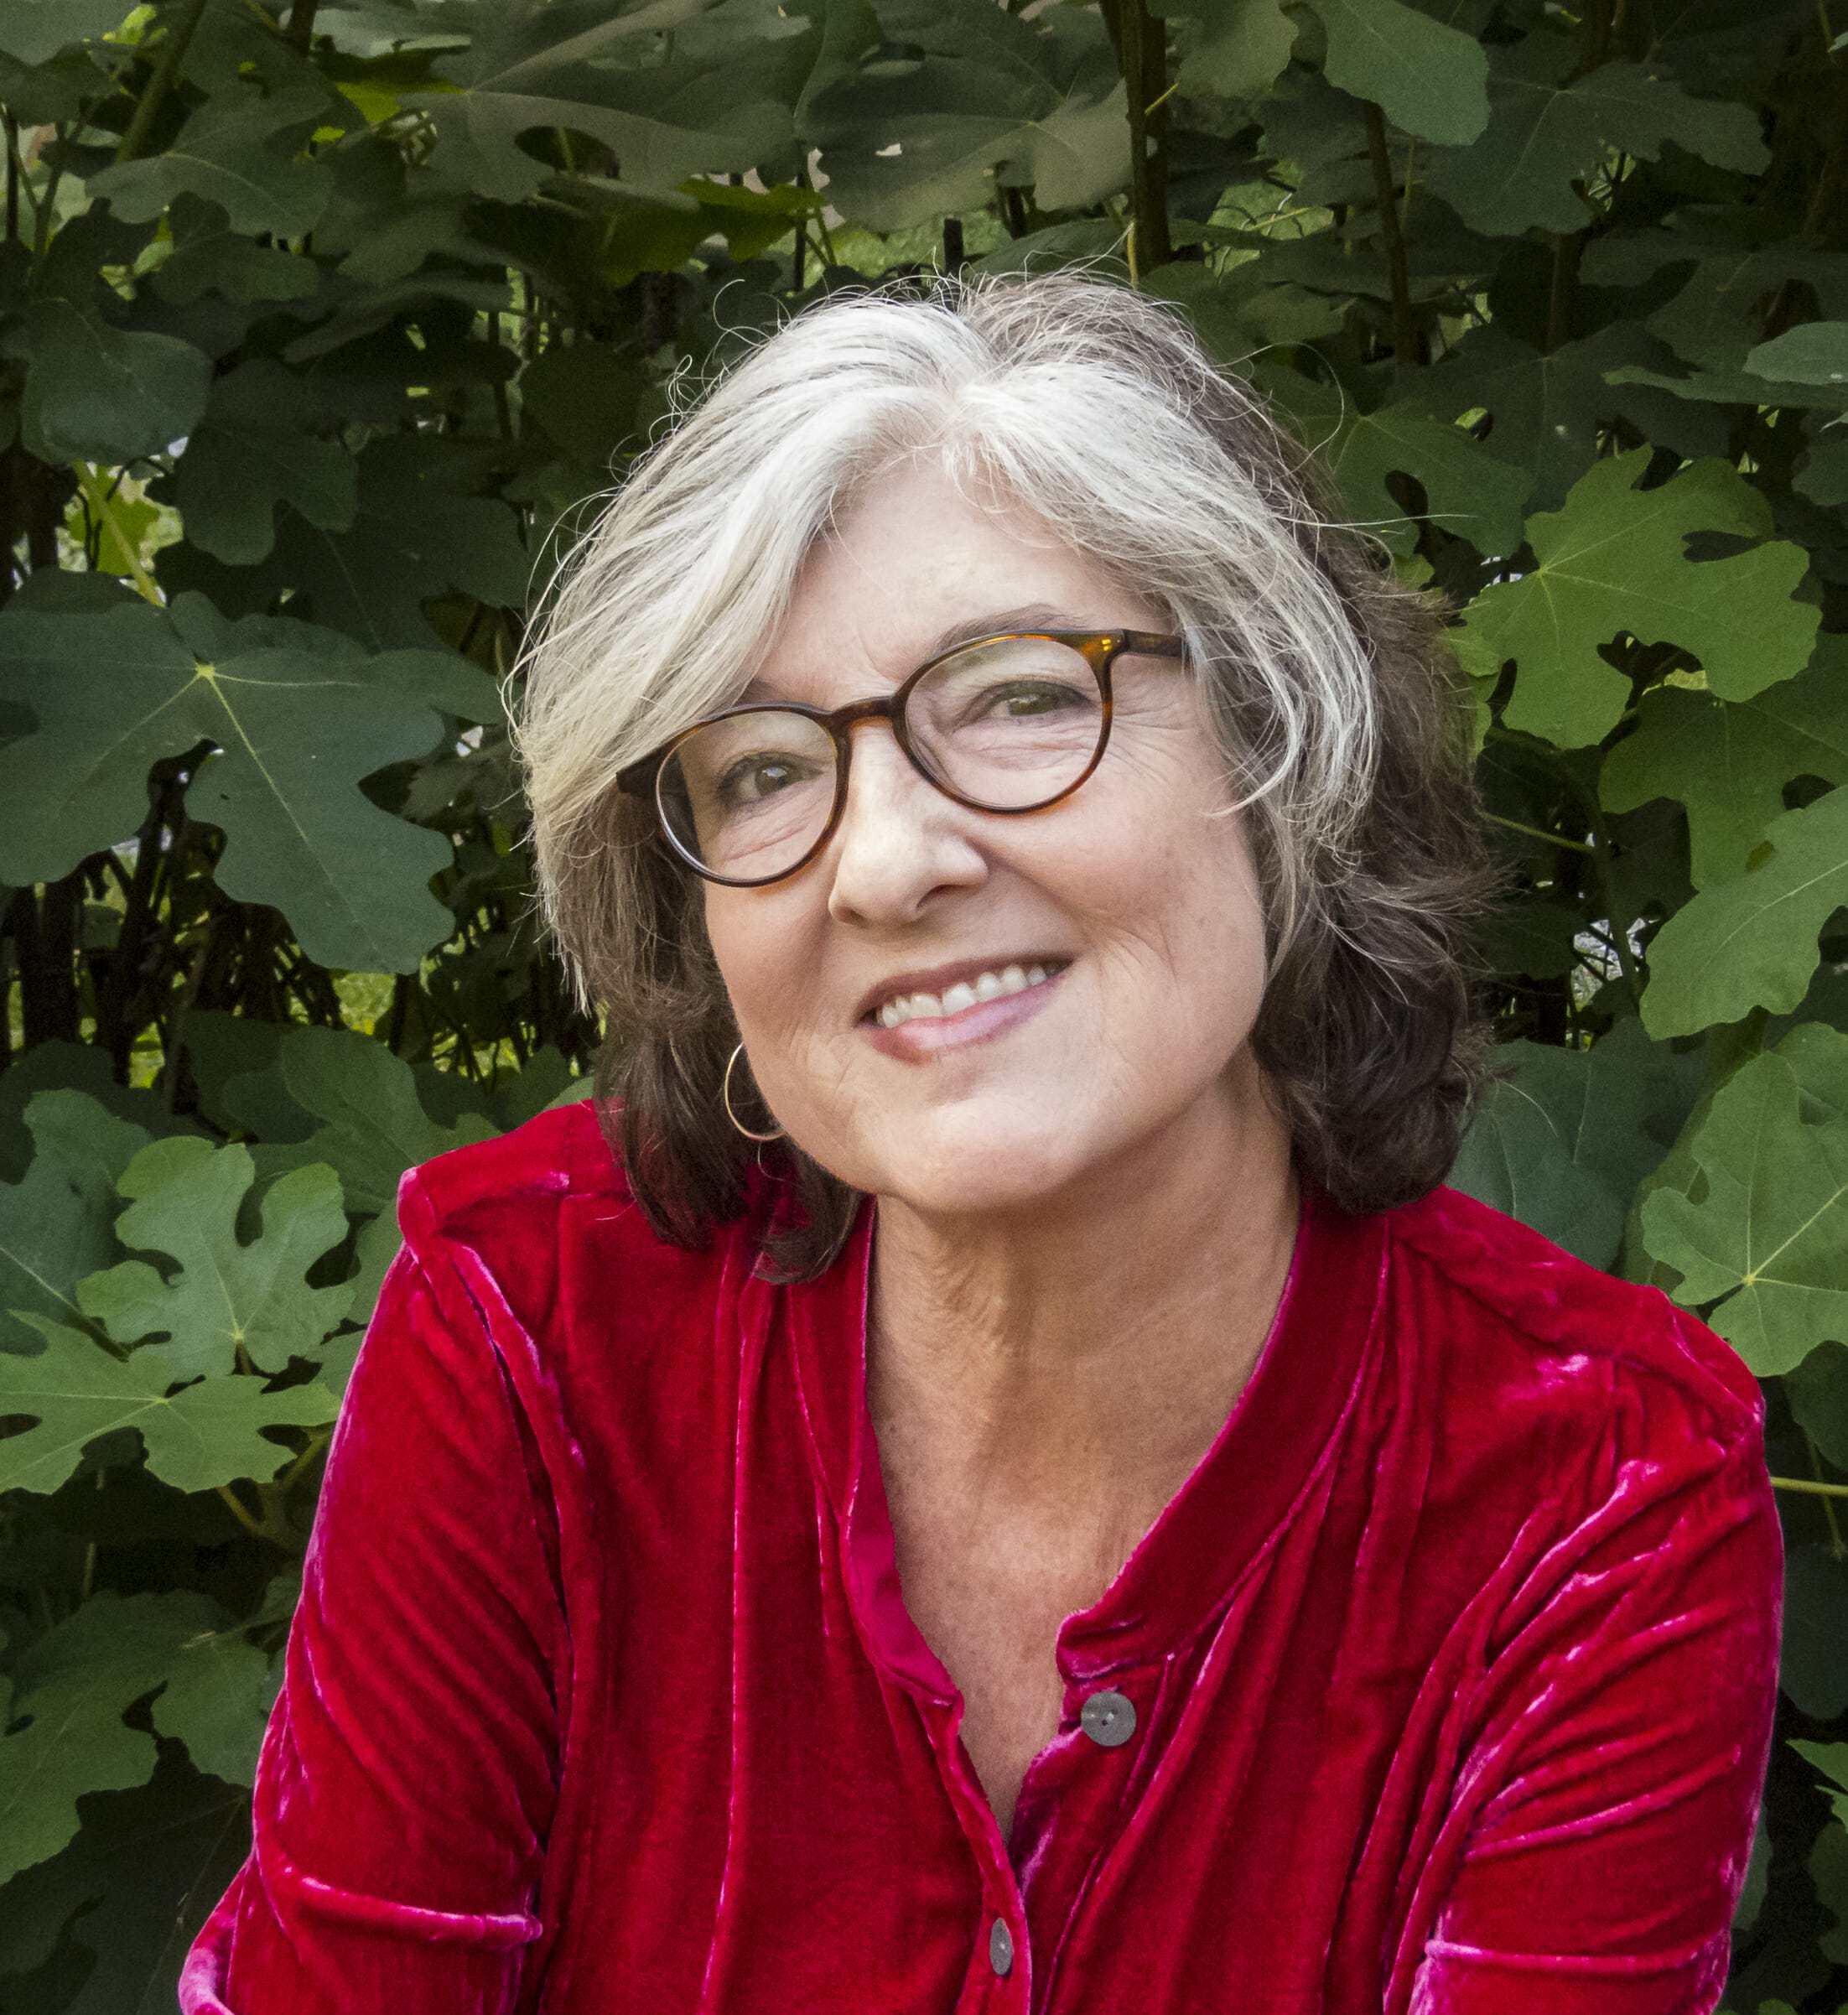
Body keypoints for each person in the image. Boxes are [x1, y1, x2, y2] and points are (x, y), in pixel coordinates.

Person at [181, 273, 1780, 2015]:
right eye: (761, 769)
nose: (884, 860)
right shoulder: (534, 1325)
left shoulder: (1597, 1488)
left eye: (1020, 695)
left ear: (1280, 746)